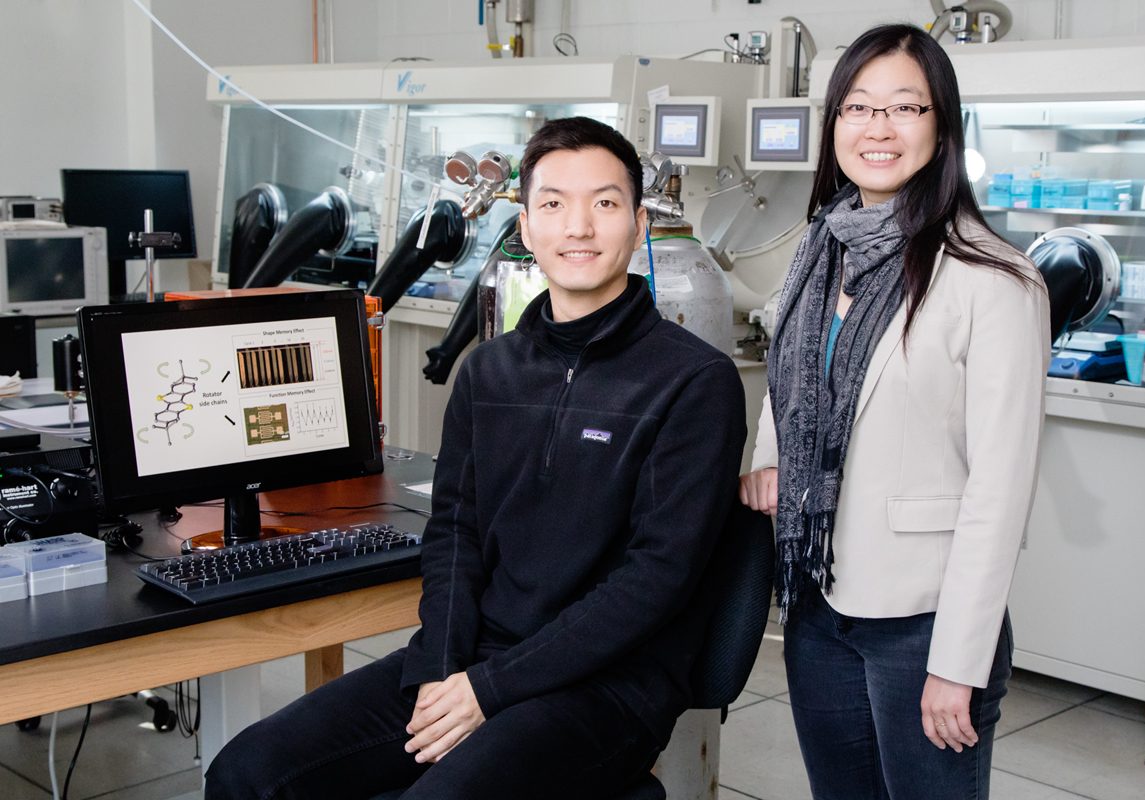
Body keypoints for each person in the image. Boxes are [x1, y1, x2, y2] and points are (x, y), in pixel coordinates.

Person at [204, 117, 747, 800]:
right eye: (553, 204)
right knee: (247, 774)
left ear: (638, 225)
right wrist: (439, 670)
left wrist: (488, 691)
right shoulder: (488, 372)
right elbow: (455, 533)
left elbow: (654, 581)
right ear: (525, 226)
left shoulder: (694, 382)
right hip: (475, 659)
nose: (578, 227)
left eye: (604, 204)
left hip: (608, 690)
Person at [739, 23, 1050, 800]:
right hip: (818, 597)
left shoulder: (994, 279)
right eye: (857, 108)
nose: (878, 129)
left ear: (942, 126)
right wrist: (768, 457)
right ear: (834, 124)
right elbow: (794, 374)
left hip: (923, 620)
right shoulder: (819, 249)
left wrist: (958, 663)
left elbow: (1000, 489)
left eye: (905, 107)